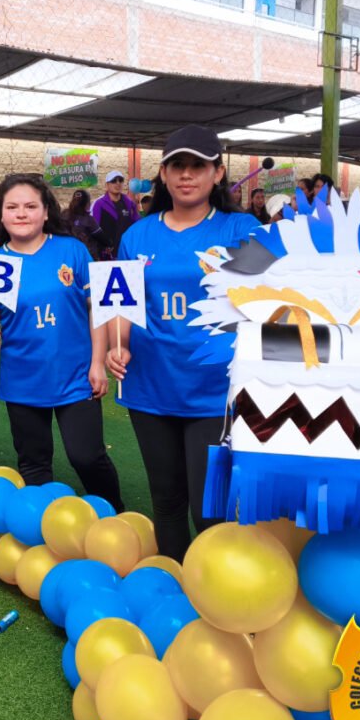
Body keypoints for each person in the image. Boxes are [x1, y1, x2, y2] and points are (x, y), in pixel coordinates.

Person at [106, 126, 258, 559]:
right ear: (163, 173)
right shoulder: (137, 236)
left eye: (198, 166)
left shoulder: (242, 229)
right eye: (177, 165)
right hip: (149, 386)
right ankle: (175, 584)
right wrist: (118, 344)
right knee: (166, 499)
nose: (186, 174)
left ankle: (218, 590)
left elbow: (268, 299)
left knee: (210, 509)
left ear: (218, 173)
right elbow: (122, 303)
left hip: (214, 389)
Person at [0, 173, 122, 509]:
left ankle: (114, 515)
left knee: (87, 457)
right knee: (34, 465)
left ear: (45, 212)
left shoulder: (72, 250)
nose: (21, 213)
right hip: (22, 381)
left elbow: (96, 309)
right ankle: (41, 528)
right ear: (1, 214)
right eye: (12, 207)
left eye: (30, 206)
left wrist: (98, 363)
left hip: (76, 377)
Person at [91, 170, 139, 258]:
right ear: (107, 185)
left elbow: (136, 225)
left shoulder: (129, 203)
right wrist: (103, 246)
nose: (118, 183)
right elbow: (94, 229)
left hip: (126, 253)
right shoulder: (99, 204)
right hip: (106, 255)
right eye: (113, 181)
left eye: (120, 180)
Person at [63, 189, 109, 260]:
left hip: (67, 256)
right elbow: (102, 237)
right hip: (86, 258)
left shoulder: (63, 214)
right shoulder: (88, 219)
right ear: (87, 204)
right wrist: (110, 244)